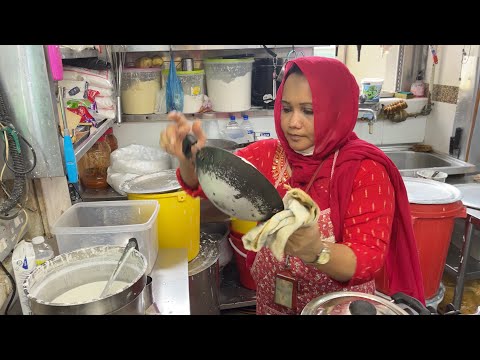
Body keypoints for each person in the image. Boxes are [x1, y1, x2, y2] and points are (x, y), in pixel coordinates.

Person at [160, 56, 425, 315]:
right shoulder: (268, 154)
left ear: (337, 110)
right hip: (271, 305)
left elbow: (368, 259)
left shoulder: (364, 170)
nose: (292, 122)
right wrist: (190, 161)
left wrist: (316, 251)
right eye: (286, 108)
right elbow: (210, 188)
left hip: (337, 309)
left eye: (308, 111)